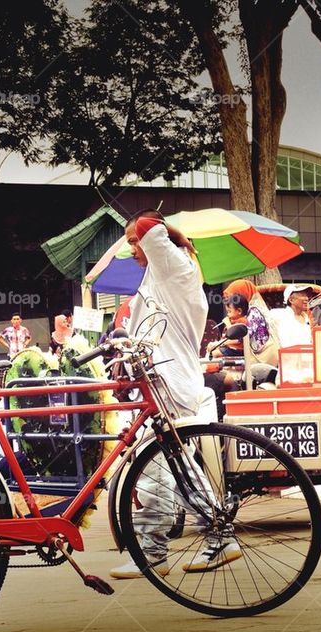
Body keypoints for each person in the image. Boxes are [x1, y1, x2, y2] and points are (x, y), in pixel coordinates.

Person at [110, 209, 242, 579]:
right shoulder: (158, 273)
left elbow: (150, 227)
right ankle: (156, 550)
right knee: (158, 469)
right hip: (160, 382)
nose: (133, 246)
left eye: (134, 240)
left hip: (172, 383)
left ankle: (214, 536)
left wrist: (167, 231)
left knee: (171, 467)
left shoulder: (173, 265)